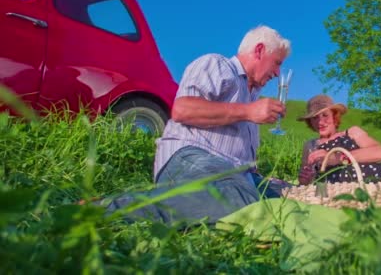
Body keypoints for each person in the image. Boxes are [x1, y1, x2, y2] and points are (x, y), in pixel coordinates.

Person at [104, 25, 292, 224]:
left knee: (288, 195)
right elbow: (183, 110)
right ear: (259, 50)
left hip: (231, 174)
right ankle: (108, 209)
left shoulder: (252, 95)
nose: (278, 73)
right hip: (190, 157)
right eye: (277, 63)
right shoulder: (218, 65)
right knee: (238, 197)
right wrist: (248, 111)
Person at [297, 94, 381, 197]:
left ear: (334, 116)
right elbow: (305, 181)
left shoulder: (352, 132)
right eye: (315, 118)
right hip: (346, 191)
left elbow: (380, 153)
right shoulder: (310, 145)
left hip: (378, 175)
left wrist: (337, 158)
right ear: (310, 122)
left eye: (325, 115)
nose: (320, 122)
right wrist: (306, 179)